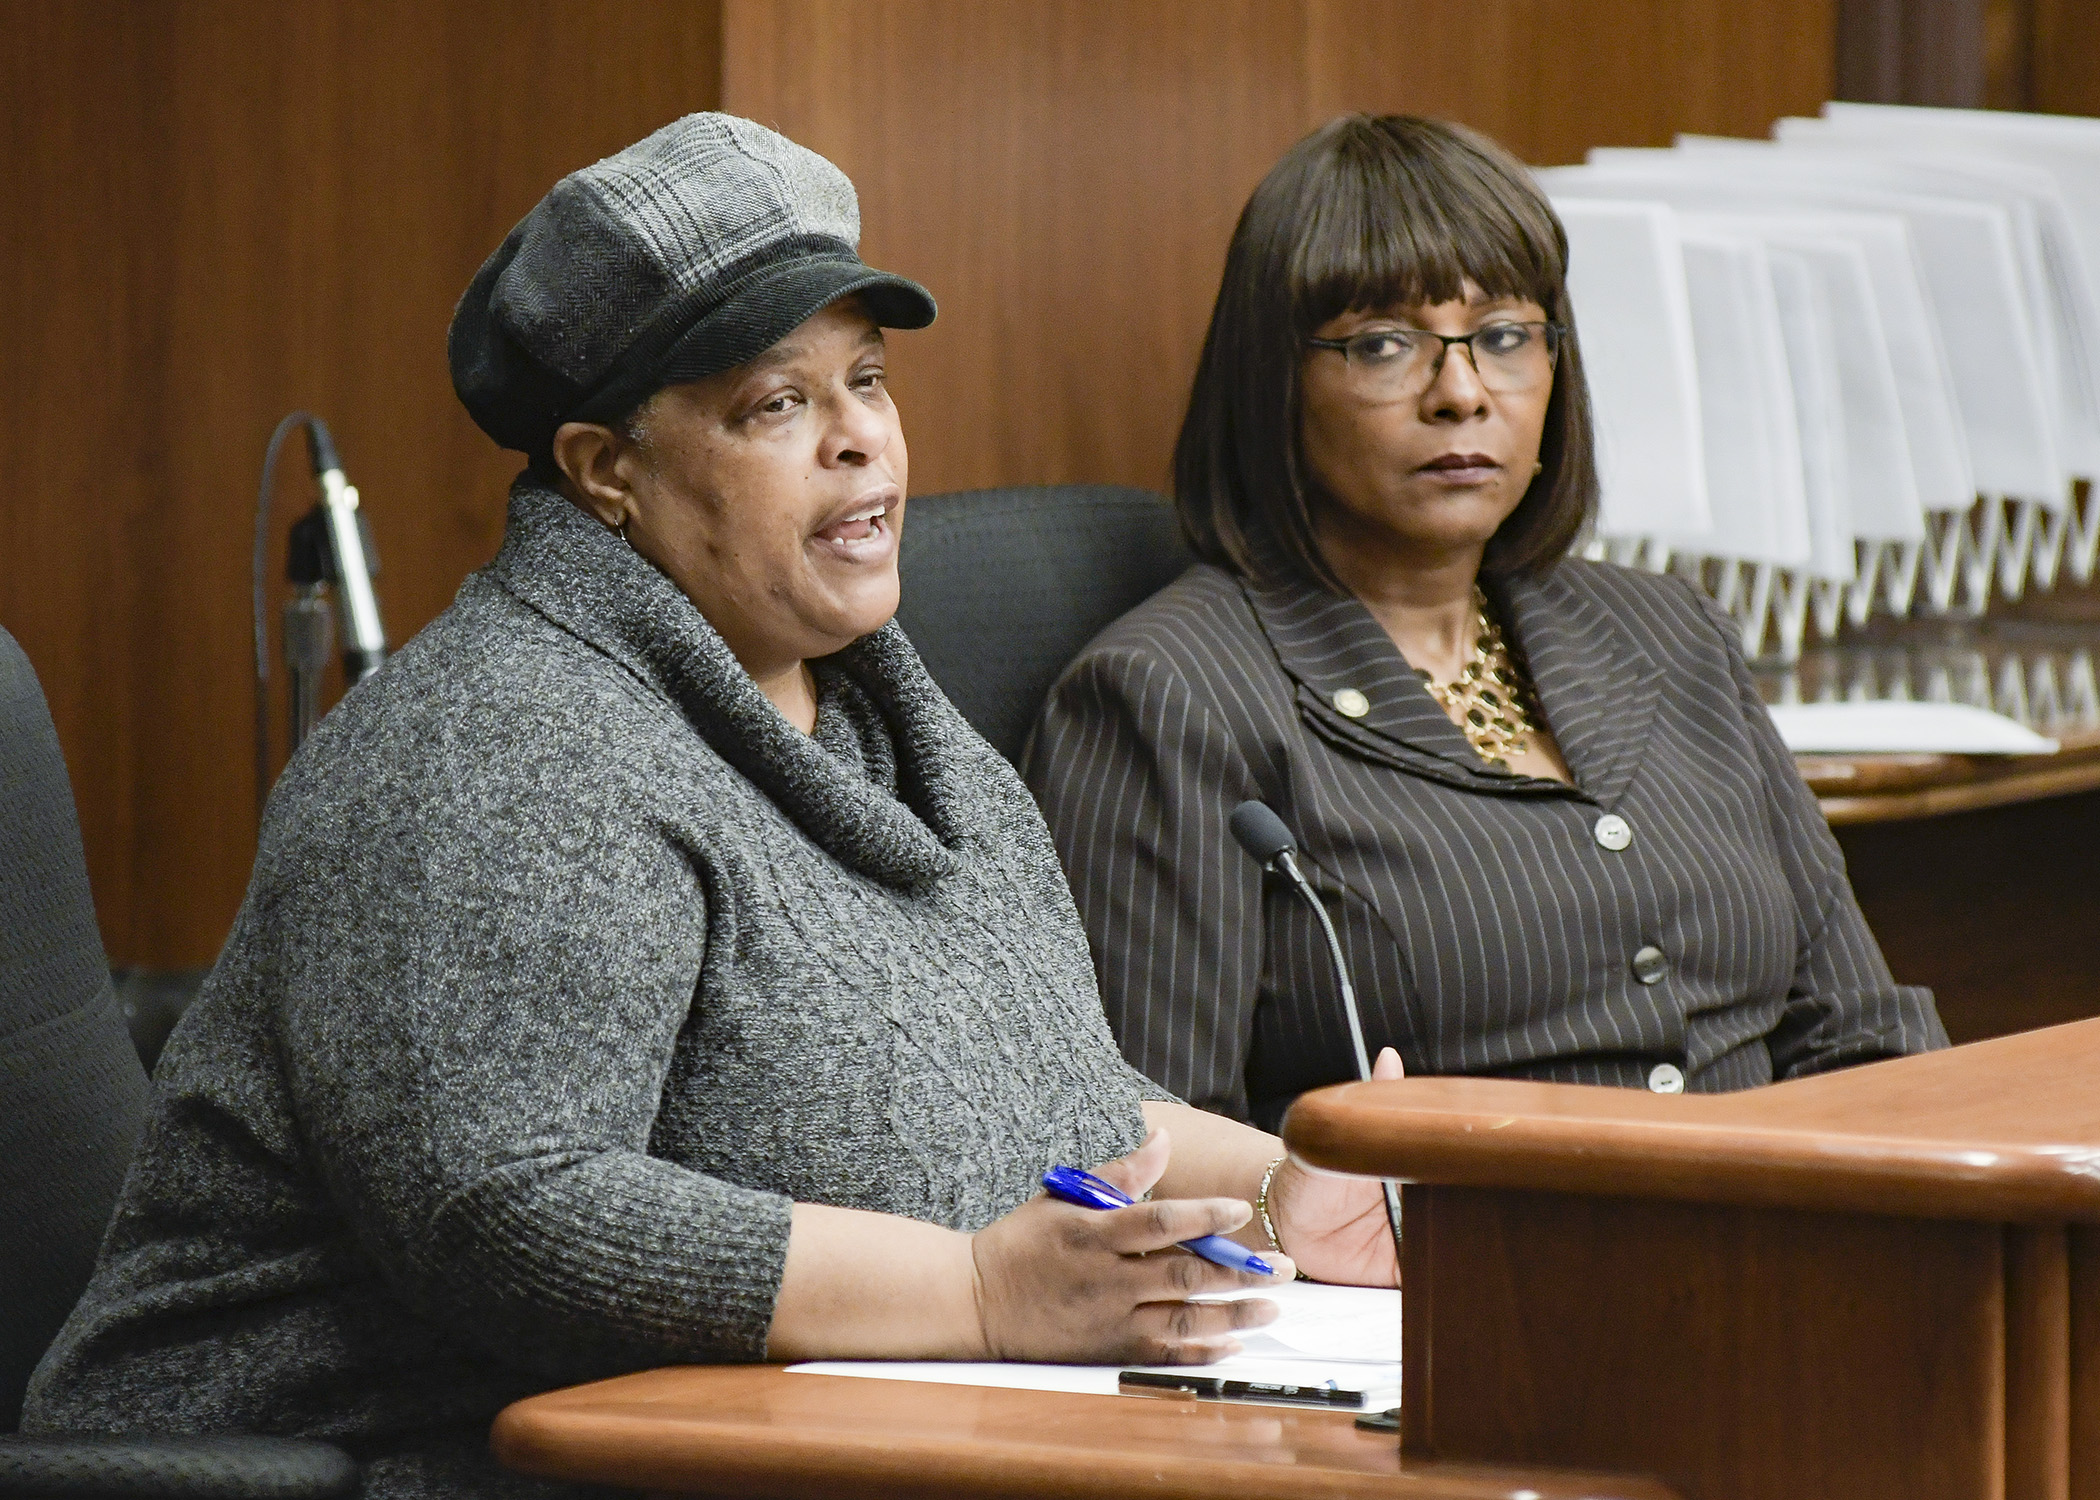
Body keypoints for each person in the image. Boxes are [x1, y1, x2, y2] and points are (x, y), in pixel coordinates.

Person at [24, 115, 1396, 1499]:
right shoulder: (496, 750)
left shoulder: (903, 739)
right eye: (777, 404)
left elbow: (1060, 1108)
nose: (861, 440)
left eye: (866, 379)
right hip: (361, 1463)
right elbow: (507, 1209)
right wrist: (976, 1291)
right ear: (605, 470)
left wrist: (1289, 1193)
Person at [1024, 115, 1946, 1132]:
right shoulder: (1166, 696)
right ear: (1275, 383)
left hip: (1778, 1242)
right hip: (1447, 1270)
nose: (1461, 393)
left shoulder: (1668, 633)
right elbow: (1143, 1145)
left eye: (1504, 336)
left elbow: (1861, 1029)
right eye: (1384, 345)